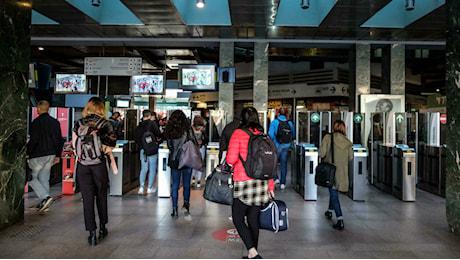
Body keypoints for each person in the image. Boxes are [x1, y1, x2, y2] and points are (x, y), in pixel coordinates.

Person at [226, 107, 275, 259]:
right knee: (253, 219)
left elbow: (231, 159)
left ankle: (253, 252)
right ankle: (252, 252)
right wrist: (271, 186)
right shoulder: (262, 136)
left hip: (243, 182)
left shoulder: (238, 134)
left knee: (237, 218)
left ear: (243, 119)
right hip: (261, 183)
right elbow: (269, 163)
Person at [72, 97, 117, 245]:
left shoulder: (78, 123)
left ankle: (91, 233)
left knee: (87, 199)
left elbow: (74, 145)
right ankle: (103, 227)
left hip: (82, 166)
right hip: (99, 165)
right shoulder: (106, 124)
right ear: (101, 109)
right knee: (101, 196)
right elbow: (111, 145)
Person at [27, 100, 63, 212]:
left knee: (31, 178)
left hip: (38, 155)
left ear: (38, 109)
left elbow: (34, 140)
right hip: (51, 155)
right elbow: (59, 140)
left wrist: (28, 152)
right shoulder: (55, 122)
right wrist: (58, 155)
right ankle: (45, 204)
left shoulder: (36, 123)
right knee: (44, 178)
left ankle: (45, 197)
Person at [318, 120, 353, 231]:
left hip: (331, 171)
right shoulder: (347, 142)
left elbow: (321, 153)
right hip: (342, 172)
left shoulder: (328, 138)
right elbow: (350, 157)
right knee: (334, 191)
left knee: (334, 195)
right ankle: (329, 211)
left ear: (333, 127)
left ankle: (340, 219)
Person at [164, 110, 195, 220]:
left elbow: (169, 146)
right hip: (186, 160)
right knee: (186, 184)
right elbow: (193, 142)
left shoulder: (169, 130)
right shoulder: (187, 129)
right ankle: (186, 206)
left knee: (175, 185)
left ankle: (174, 209)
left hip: (174, 160)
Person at [135, 110, 163, 194]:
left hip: (143, 150)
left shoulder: (139, 126)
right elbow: (158, 134)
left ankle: (141, 187)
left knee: (143, 168)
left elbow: (136, 139)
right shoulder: (152, 124)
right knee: (152, 168)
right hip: (152, 149)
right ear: (150, 115)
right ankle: (150, 187)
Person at [268, 108, 295, 190]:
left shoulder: (275, 122)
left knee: (274, 163)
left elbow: (270, 134)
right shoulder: (289, 123)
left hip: (277, 145)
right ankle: (283, 183)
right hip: (286, 145)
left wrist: (272, 141)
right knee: (283, 164)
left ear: (278, 114)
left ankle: (276, 178)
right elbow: (293, 134)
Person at [191, 115, 208, 188]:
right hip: (201, 147)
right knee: (200, 164)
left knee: (193, 164)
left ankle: (193, 179)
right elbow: (206, 138)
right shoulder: (203, 129)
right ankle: (198, 182)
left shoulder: (191, 128)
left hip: (193, 147)